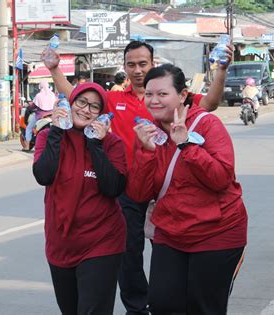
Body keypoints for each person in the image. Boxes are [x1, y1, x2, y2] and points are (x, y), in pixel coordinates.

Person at [42, 40, 233, 314]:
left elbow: (212, 102)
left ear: (153, 64)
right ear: (124, 67)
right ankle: (137, 308)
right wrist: (54, 69)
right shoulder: (115, 99)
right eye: (131, 64)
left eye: (143, 64)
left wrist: (222, 70)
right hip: (132, 189)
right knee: (129, 257)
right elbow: (80, 99)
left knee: (172, 265)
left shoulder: (173, 94)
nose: (137, 69)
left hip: (167, 193)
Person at [128, 64, 247, 314]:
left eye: (162, 94)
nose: (154, 100)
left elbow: (220, 179)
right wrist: (145, 153)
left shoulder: (207, 124)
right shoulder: (149, 133)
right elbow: (139, 194)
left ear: (182, 96)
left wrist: (186, 145)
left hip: (218, 233)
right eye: (149, 94)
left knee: (203, 307)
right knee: (162, 303)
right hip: (171, 234)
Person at [33, 82, 127, 314]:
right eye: (82, 102)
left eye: (95, 107)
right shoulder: (47, 136)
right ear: (70, 103)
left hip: (102, 242)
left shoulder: (112, 144)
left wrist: (95, 143)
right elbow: (43, 175)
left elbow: (113, 187)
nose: (86, 110)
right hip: (60, 243)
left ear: (102, 114)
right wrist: (56, 130)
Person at [23, 80, 56, 151]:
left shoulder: (39, 95)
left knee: (28, 128)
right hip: (51, 115)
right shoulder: (52, 94)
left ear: (40, 87)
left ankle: (27, 146)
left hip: (40, 116)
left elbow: (33, 106)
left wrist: (29, 106)